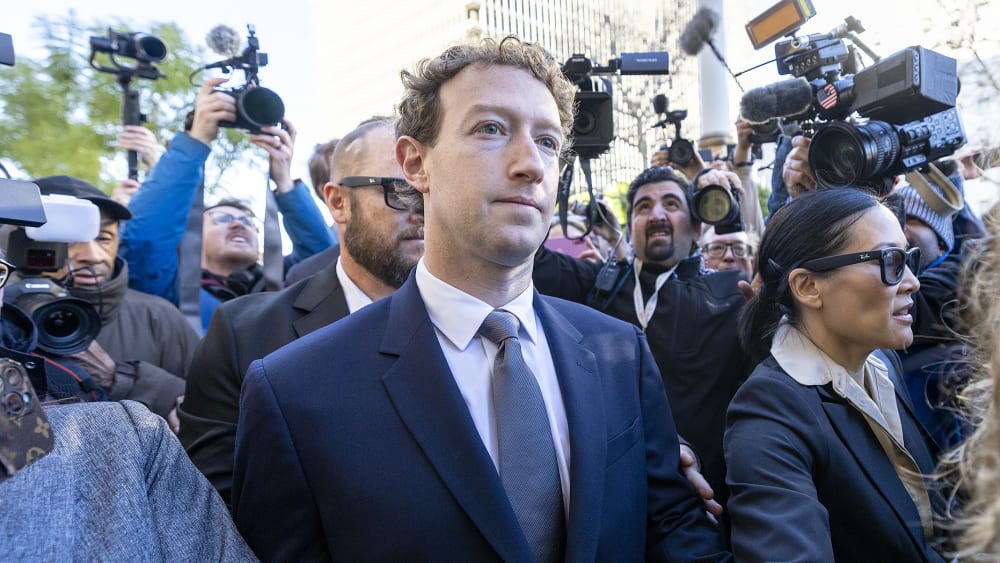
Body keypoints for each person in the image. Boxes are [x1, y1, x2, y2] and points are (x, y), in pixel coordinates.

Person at [231, 35, 729, 561]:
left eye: (549, 142)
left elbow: (674, 532)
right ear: (415, 164)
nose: (529, 164)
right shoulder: (295, 391)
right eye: (491, 129)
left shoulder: (618, 353)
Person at [179, 117, 423, 504]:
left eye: (436, 190)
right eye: (400, 191)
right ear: (339, 202)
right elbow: (211, 504)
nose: (424, 210)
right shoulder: (245, 334)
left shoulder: (494, 325)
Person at [726, 188, 949, 561]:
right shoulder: (767, 414)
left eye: (910, 258)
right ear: (808, 287)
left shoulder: (881, 360)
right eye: (891, 261)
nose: (912, 281)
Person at [533, 165, 752, 513]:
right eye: (643, 207)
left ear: (697, 227)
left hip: (706, 501)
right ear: (630, 230)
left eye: (672, 204)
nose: (657, 214)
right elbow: (531, 256)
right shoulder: (596, 285)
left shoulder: (731, 296)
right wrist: (551, 170)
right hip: (611, 495)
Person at [119, 78, 335, 330]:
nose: (237, 223)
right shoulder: (168, 287)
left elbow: (324, 261)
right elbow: (145, 241)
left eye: (248, 222)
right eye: (221, 219)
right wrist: (195, 142)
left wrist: (285, 183)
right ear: (192, 238)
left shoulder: (285, 286)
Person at [18, 176, 200, 421]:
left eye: (103, 237)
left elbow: (213, 413)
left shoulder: (159, 316)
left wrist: (119, 378)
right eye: (70, 239)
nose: (92, 256)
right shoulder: (5, 315)